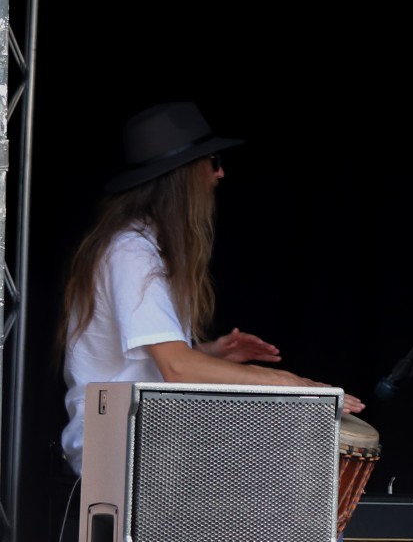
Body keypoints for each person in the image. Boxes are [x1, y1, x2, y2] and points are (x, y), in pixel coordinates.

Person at [59, 101, 362, 474]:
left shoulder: (143, 247)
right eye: (213, 161)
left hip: (144, 442)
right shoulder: (131, 252)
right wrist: (289, 384)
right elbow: (176, 368)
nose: (220, 173)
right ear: (182, 176)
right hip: (119, 452)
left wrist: (209, 354)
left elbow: (146, 363)